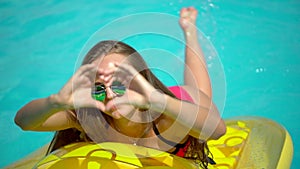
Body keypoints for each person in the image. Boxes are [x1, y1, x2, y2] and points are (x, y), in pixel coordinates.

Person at [14, 7, 226, 169]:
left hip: (178, 100)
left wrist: (158, 100)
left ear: (139, 79)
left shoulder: (166, 117)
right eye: (99, 87)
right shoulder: (92, 117)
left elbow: (218, 131)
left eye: (118, 83)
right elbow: (23, 122)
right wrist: (56, 101)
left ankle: (190, 31)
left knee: (198, 89)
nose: (109, 94)